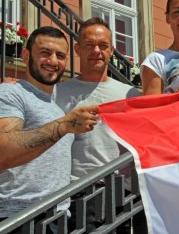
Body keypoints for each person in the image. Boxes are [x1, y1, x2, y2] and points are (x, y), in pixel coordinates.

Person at [0, 26, 99, 232]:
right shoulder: (9, 94)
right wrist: (64, 126)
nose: (53, 61)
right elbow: (1, 153)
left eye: (60, 56)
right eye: (45, 53)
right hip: (19, 217)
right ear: (26, 56)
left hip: (57, 219)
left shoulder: (55, 107)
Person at [53, 17, 145, 233]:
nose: (97, 51)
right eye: (89, 45)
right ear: (77, 49)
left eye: (103, 45)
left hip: (121, 194)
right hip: (79, 192)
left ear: (111, 50)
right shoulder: (58, 93)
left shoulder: (130, 94)